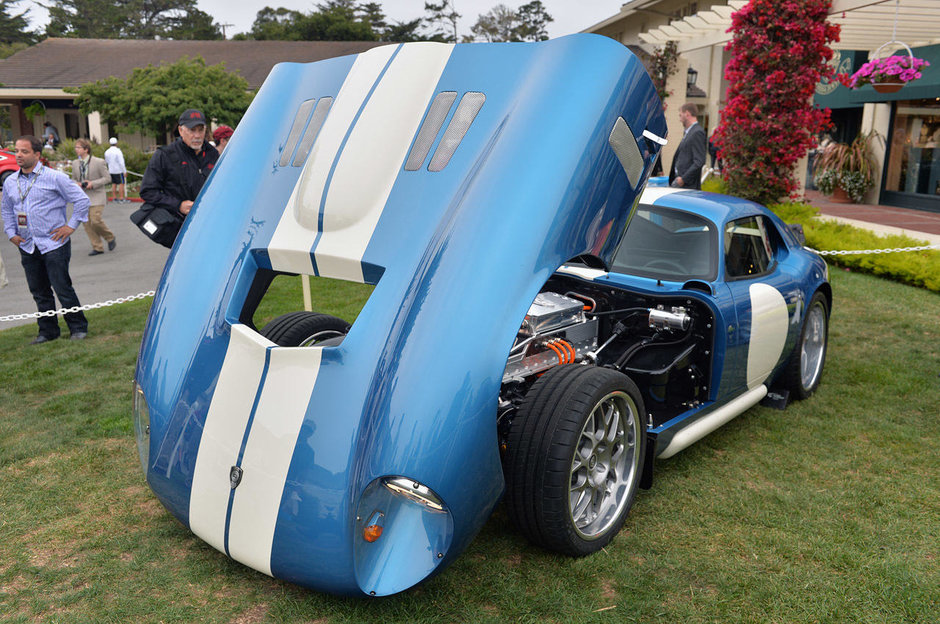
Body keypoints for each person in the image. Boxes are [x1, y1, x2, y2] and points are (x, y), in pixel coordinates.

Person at [1, 135, 90, 343]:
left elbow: (81, 200)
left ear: (37, 154)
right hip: (27, 245)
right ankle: (48, 331)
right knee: (39, 291)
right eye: (16, 151)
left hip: (54, 244)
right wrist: (11, 232)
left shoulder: (55, 177)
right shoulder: (11, 182)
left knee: (62, 287)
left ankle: (78, 327)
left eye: (24, 151)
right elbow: (6, 209)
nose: (19, 155)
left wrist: (70, 226)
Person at [139, 108, 219, 241]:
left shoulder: (212, 154)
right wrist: (178, 205)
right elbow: (148, 191)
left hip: (209, 223)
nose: (197, 135)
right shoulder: (165, 155)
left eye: (201, 130)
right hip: (180, 228)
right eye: (192, 130)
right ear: (181, 131)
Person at [71, 138, 116, 256]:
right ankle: (97, 247)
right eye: (76, 147)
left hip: (97, 195)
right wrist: (77, 184)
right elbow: (73, 178)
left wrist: (93, 183)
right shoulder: (75, 163)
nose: (76, 149)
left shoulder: (99, 162)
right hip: (83, 196)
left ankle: (110, 237)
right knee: (87, 223)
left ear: (86, 149)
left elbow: (107, 178)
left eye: (78, 147)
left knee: (95, 220)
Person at [669, 102, 707, 190]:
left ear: (687, 114)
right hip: (681, 183)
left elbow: (699, 161)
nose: (680, 119)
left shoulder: (697, 132)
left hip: (688, 186)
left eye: (680, 115)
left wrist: (683, 179)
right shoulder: (689, 132)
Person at [104, 137, 128, 202]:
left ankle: (114, 198)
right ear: (116, 143)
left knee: (114, 183)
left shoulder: (107, 151)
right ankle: (121, 198)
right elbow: (121, 162)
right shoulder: (118, 151)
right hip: (118, 170)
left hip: (111, 170)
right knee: (121, 183)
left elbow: (106, 161)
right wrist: (124, 171)